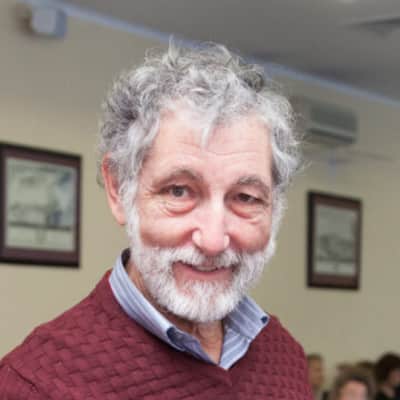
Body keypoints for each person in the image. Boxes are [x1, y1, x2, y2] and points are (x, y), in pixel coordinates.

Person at [0, 43, 312, 399]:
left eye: (245, 198)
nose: (213, 241)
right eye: (179, 191)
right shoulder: (34, 386)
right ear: (119, 189)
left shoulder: (283, 356)